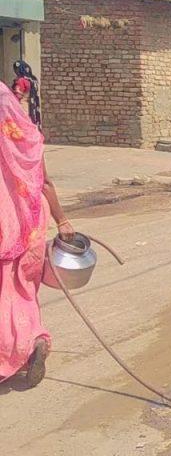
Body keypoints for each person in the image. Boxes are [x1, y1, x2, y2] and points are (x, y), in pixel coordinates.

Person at [0, 82, 76, 387]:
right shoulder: (26, 138)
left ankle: (11, 354)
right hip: (30, 223)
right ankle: (33, 340)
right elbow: (44, 183)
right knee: (23, 289)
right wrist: (63, 221)